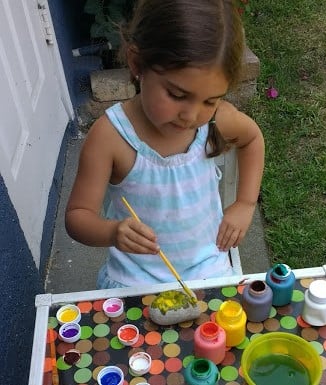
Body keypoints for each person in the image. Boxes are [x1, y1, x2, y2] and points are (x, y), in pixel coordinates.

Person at [65, 0, 264, 289]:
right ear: (137, 63)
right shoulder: (110, 136)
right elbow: (77, 217)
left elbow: (252, 138)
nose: (191, 115)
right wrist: (113, 231)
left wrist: (245, 203)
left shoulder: (216, 121)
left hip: (209, 272)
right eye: (176, 94)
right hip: (135, 281)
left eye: (210, 100)